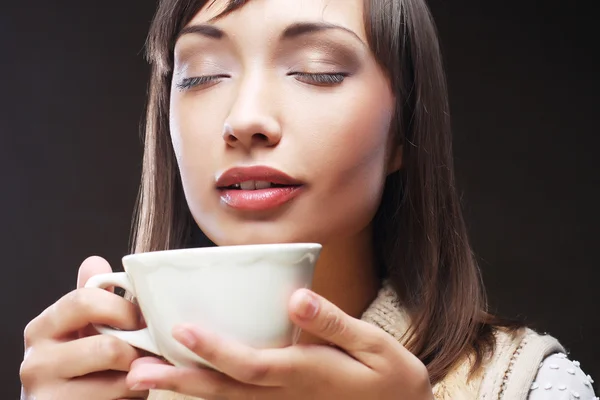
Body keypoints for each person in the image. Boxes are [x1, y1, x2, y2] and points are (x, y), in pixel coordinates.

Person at [19, 0, 597, 399]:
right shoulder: (99, 383)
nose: (245, 120)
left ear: (403, 129)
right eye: (199, 76)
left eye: (315, 70)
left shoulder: (527, 384)